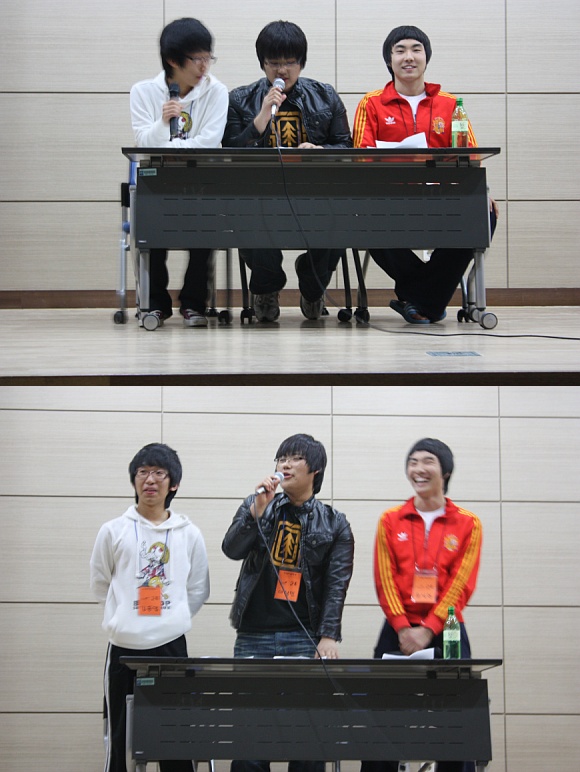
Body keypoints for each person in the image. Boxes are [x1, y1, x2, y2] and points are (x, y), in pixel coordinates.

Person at [222, 432, 355, 772]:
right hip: (253, 635)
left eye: (295, 458)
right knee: (250, 735)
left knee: (307, 736)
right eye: (282, 458)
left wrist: (329, 636)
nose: (286, 464)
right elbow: (231, 549)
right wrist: (255, 510)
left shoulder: (335, 523)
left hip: (303, 637)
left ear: (315, 470)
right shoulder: (259, 505)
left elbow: (337, 586)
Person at [353, 25, 499, 324]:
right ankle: (427, 298)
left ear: (426, 57)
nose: (408, 57)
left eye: (416, 49)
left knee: (484, 214)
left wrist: (480, 192)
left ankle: (419, 299)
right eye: (400, 50)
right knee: (362, 216)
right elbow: (362, 156)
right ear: (389, 60)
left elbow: (470, 155)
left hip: (441, 196)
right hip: (390, 198)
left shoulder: (450, 104)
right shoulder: (372, 103)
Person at [363, 438, 481, 772]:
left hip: (448, 628)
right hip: (397, 630)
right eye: (412, 462)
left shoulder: (468, 523)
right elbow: (385, 579)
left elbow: (461, 583)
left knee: (456, 720)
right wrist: (403, 628)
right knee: (382, 720)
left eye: (428, 461)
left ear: (446, 471)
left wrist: (428, 630)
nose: (418, 469)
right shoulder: (391, 519)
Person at [90, 443, 210, 772]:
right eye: (143, 472)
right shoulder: (113, 530)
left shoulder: (189, 534)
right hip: (123, 647)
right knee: (120, 738)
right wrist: (125, 616)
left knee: (175, 738)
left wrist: (171, 618)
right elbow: (101, 583)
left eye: (159, 473)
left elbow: (198, 588)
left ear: (174, 484)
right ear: (133, 480)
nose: (150, 480)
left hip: (171, 646)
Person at [222, 21, 353, 322]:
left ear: (301, 63)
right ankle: (267, 287)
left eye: (290, 62)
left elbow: (346, 147)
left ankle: (312, 286)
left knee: (343, 212)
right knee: (244, 209)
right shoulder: (240, 99)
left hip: (315, 193)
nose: (282, 70)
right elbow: (230, 151)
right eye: (274, 63)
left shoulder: (325, 95)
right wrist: (260, 119)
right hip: (261, 194)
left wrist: (320, 151)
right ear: (262, 64)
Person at [130, 18, 228, 328]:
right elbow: (143, 144)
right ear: (173, 60)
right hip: (157, 182)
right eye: (197, 59)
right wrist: (162, 124)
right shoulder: (143, 92)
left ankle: (194, 303)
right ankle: (155, 305)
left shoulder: (217, 91)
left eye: (208, 58)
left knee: (207, 224)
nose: (204, 67)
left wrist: (168, 147)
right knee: (150, 226)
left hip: (201, 181)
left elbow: (209, 143)